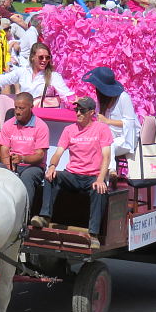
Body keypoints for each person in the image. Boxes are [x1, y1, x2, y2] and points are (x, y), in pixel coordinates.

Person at [30, 97, 112, 248]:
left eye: (82, 110)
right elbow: (58, 153)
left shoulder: (101, 129)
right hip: (72, 175)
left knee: (99, 190)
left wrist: (100, 179)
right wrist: (52, 166)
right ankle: (44, 217)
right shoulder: (69, 130)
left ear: (91, 113)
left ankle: (93, 234)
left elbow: (106, 156)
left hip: (91, 176)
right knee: (50, 177)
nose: (78, 113)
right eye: (76, 110)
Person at [0, 42, 74, 105]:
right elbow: (0, 80)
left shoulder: (53, 76)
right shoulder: (22, 72)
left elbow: (67, 94)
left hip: (44, 117)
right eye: (41, 57)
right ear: (32, 57)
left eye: (47, 57)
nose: (44, 60)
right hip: (25, 114)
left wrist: (81, 102)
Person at [83, 67, 139, 175]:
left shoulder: (123, 98)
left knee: (109, 145)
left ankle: (111, 171)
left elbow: (129, 123)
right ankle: (92, 173)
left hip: (126, 137)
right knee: (96, 142)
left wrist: (107, 121)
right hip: (110, 135)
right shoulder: (102, 100)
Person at [0, 91, 49, 205]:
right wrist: (9, 167)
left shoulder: (41, 126)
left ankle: (24, 216)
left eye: (21, 108)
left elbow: (40, 156)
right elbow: (4, 149)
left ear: (31, 107)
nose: (17, 112)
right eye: (16, 108)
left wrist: (22, 159)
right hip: (12, 164)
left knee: (27, 176)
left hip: (33, 166)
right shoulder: (8, 124)